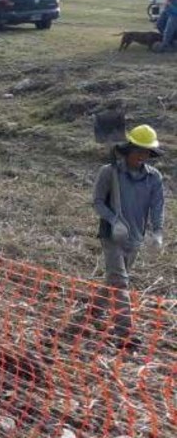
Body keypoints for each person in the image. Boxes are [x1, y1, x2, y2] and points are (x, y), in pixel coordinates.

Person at [92, 124, 166, 346]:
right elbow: (96, 202)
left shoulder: (154, 178)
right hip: (111, 235)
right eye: (139, 151)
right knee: (121, 282)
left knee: (114, 280)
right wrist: (113, 220)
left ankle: (93, 311)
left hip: (135, 237)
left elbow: (157, 207)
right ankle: (125, 333)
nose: (143, 156)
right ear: (128, 149)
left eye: (147, 152)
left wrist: (158, 232)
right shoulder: (109, 172)